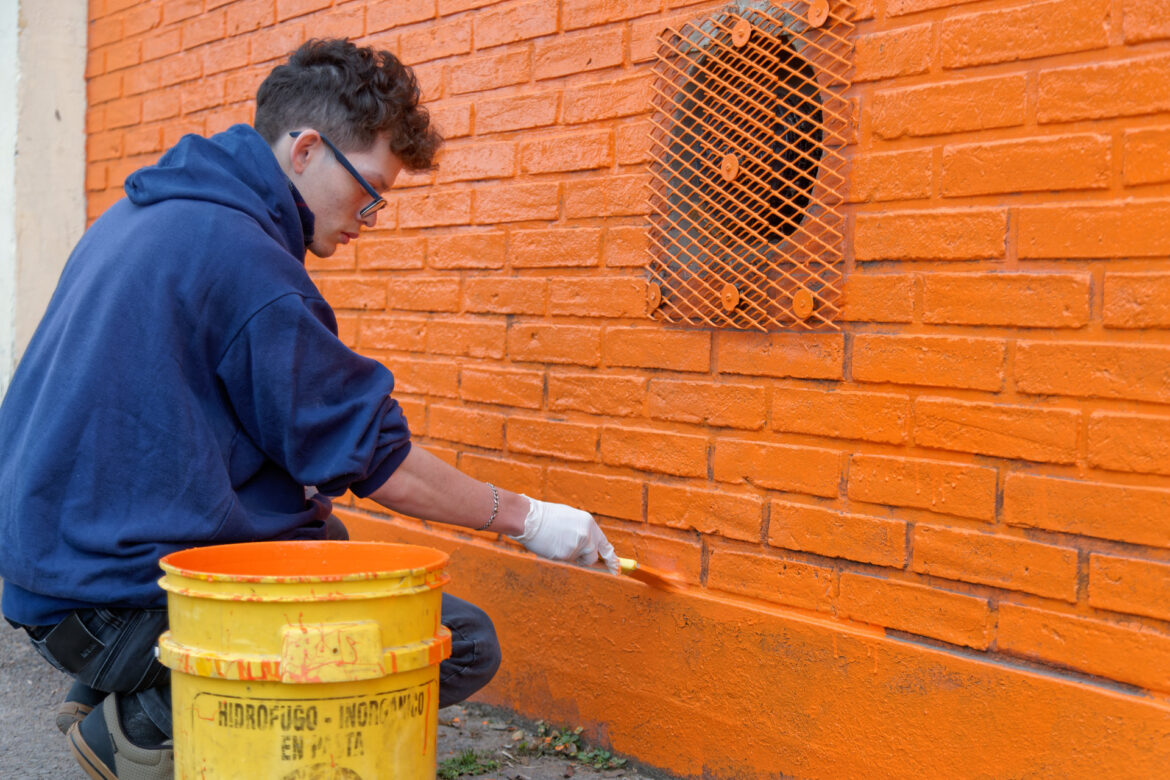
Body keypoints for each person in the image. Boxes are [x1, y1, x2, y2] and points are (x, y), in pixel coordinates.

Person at [0, 38, 619, 780]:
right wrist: (532, 520)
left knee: (325, 533)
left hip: (47, 574)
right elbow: (379, 462)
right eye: (369, 191)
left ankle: (111, 687)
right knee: (458, 640)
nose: (371, 217)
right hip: (109, 598)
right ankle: (146, 726)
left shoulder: (148, 213)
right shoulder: (249, 263)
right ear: (305, 150)